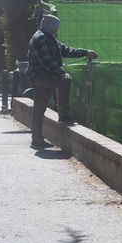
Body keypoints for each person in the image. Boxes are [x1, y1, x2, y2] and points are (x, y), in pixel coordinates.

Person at [26, 13, 95, 150]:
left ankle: (37, 140)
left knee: (39, 108)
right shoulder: (40, 38)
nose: (57, 29)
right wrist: (63, 73)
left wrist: (85, 52)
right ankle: (64, 115)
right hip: (41, 76)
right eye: (56, 27)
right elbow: (47, 63)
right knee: (64, 80)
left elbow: (65, 50)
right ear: (50, 26)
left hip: (45, 75)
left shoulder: (50, 38)